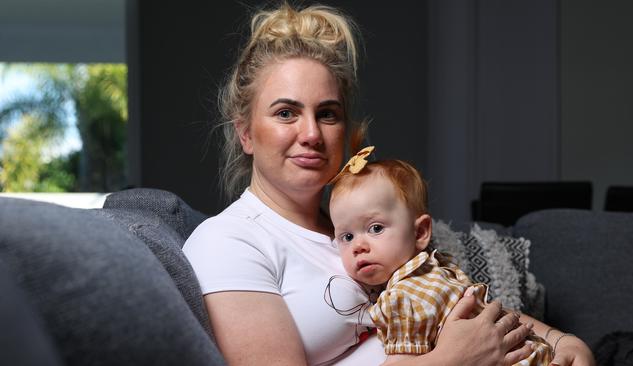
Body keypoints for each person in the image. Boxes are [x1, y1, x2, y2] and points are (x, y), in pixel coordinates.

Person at [183, 2, 596, 365]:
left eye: (327, 114)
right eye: (286, 113)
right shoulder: (228, 241)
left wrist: (560, 339)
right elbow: (464, 346)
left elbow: (452, 296)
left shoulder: (360, 225)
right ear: (246, 133)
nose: (311, 133)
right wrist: (452, 360)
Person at [328, 152, 555, 365]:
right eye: (347, 236)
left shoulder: (404, 297)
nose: (358, 246)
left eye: (375, 228)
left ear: (420, 233)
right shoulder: (436, 269)